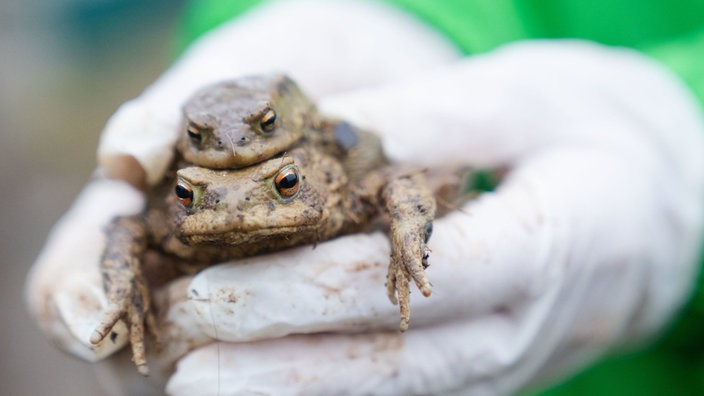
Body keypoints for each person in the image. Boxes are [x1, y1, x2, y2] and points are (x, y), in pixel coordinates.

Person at [26, 1, 704, 394]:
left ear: (306, 176)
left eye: (282, 184)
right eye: (194, 193)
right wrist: (124, 294)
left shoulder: (335, 174)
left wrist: (679, 136)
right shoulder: (186, 202)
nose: (238, 205)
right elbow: (127, 227)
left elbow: (394, 184)